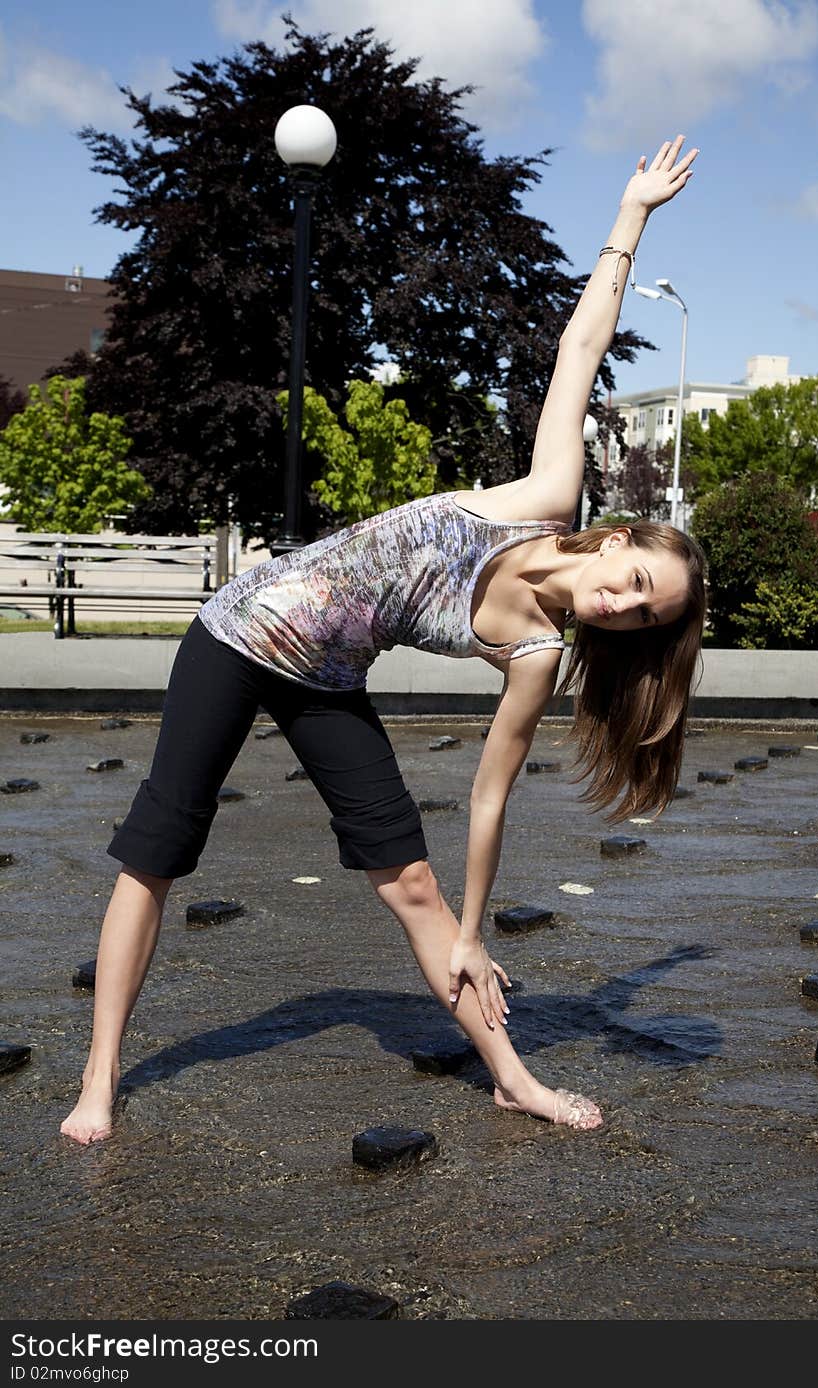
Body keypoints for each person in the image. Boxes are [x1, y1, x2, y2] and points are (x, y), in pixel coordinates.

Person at [61, 135, 704, 1147]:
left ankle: (510, 1077)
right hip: (236, 632)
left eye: (644, 616)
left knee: (413, 884)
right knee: (159, 846)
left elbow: (490, 794)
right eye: (633, 583)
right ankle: (99, 1078)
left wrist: (478, 928)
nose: (623, 608)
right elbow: (581, 348)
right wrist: (632, 217)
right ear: (615, 542)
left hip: (325, 675)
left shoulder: (536, 656)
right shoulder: (543, 499)